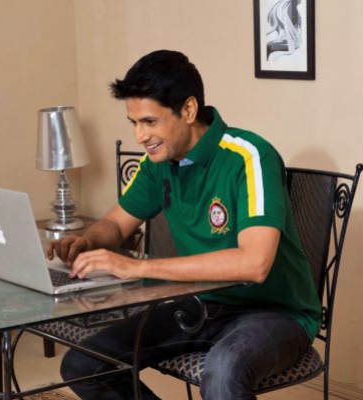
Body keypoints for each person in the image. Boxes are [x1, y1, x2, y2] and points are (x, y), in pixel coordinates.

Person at [47, 49, 321, 400]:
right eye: (134, 123)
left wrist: (136, 267)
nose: (140, 136)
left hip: (275, 314)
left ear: (188, 110)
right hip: (199, 305)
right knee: (84, 363)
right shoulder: (157, 163)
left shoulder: (250, 156)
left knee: (224, 369)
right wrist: (86, 241)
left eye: (150, 121)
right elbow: (116, 223)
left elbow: (255, 263)